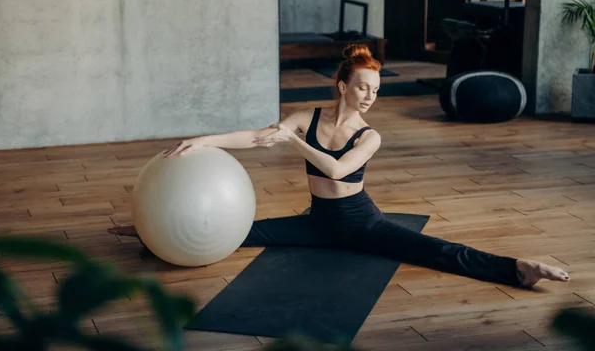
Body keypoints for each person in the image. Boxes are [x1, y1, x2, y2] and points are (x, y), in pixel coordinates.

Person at [109, 44, 569, 288]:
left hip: (361, 223)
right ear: (342, 85)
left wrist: (293, 142)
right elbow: (254, 137)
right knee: (238, 232)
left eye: (376, 89)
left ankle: (518, 269)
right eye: (364, 87)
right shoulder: (307, 118)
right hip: (318, 222)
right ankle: (150, 231)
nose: (371, 95)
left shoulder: (369, 136)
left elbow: (334, 170)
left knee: (434, 250)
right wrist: (199, 140)